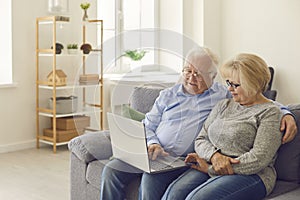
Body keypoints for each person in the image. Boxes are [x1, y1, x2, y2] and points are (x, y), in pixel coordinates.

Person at [100, 47, 297, 200]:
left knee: (154, 184)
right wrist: (152, 143)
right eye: (188, 70)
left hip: (185, 160)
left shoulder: (223, 95)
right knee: (111, 170)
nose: (191, 77)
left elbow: (261, 101)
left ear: (212, 76)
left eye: (199, 73)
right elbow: (150, 125)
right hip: (156, 153)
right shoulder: (169, 95)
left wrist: (287, 113)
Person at [161, 53, 286, 200]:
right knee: (173, 195)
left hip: (252, 175)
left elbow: (258, 159)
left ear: (254, 84)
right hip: (211, 163)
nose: (230, 89)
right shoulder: (224, 105)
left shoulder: (270, 113)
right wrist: (214, 156)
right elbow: (201, 138)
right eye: (228, 83)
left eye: (236, 85)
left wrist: (211, 169)